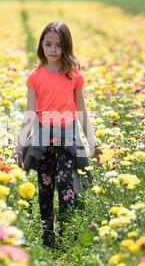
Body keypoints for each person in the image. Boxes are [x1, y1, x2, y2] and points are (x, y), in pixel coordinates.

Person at [13, 21, 102, 248]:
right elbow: (30, 114)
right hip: (42, 140)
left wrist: (93, 144)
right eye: (48, 44)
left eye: (59, 45)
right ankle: (47, 234)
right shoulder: (35, 76)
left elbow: (82, 112)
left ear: (66, 47)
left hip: (68, 140)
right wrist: (19, 146)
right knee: (44, 190)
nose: (53, 50)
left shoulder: (74, 76)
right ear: (41, 45)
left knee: (66, 189)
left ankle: (67, 234)